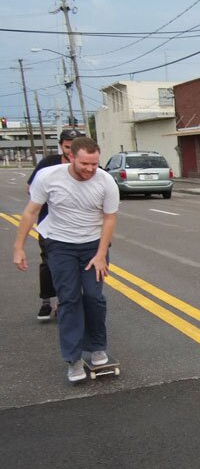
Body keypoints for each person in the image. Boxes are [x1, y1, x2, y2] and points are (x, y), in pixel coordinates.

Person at [13, 137, 120, 382]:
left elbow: (110, 219)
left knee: (94, 296)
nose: (90, 169)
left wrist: (101, 254)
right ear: (70, 156)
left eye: (95, 164)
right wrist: (18, 247)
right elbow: (31, 212)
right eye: (85, 164)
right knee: (69, 299)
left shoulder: (106, 182)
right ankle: (72, 359)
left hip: (92, 244)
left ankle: (96, 347)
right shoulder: (48, 177)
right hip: (60, 244)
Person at [26, 128, 79, 321]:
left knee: (72, 265)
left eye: (75, 146)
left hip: (75, 226)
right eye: (67, 146)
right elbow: (31, 189)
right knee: (49, 262)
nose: (71, 150)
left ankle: (65, 303)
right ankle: (47, 301)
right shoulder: (48, 164)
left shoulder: (83, 165)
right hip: (49, 224)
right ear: (61, 145)